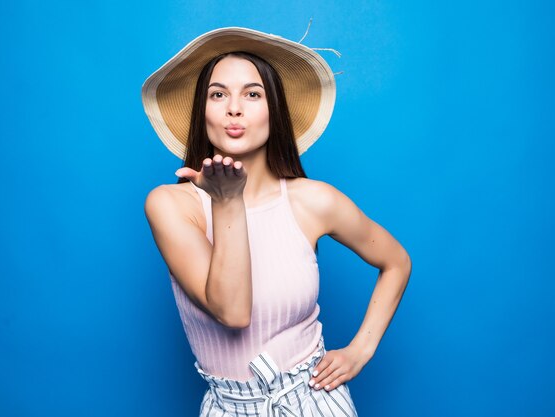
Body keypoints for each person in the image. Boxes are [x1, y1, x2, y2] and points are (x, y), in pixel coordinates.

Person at [142, 27, 411, 416]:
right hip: (229, 406)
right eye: (218, 95)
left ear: (275, 111)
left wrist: (360, 350)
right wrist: (227, 201)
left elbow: (396, 261)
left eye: (253, 94)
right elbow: (233, 312)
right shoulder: (171, 205)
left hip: (316, 400)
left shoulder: (312, 199)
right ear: (203, 112)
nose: (235, 108)